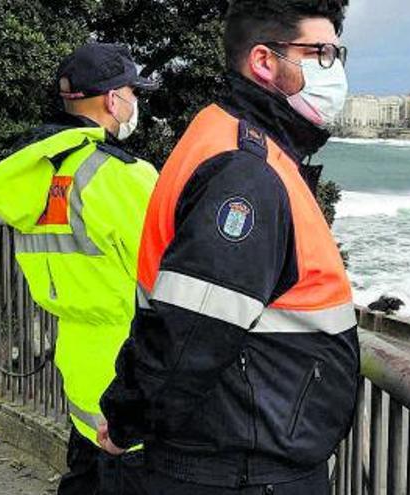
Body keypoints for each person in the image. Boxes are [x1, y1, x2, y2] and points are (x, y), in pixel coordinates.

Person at [98, 1, 359, 493]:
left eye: (338, 53)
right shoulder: (246, 172)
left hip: (238, 451)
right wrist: (126, 420)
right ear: (264, 61)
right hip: (240, 466)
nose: (336, 70)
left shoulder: (237, 139)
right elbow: (192, 330)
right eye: (321, 53)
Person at [0, 43, 158, 494]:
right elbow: (168, 283)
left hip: (79, 367)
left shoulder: (40, 175)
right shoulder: (124, 177)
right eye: (133, 92)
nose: (136, 102)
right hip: (131, 377)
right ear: (114, 100)